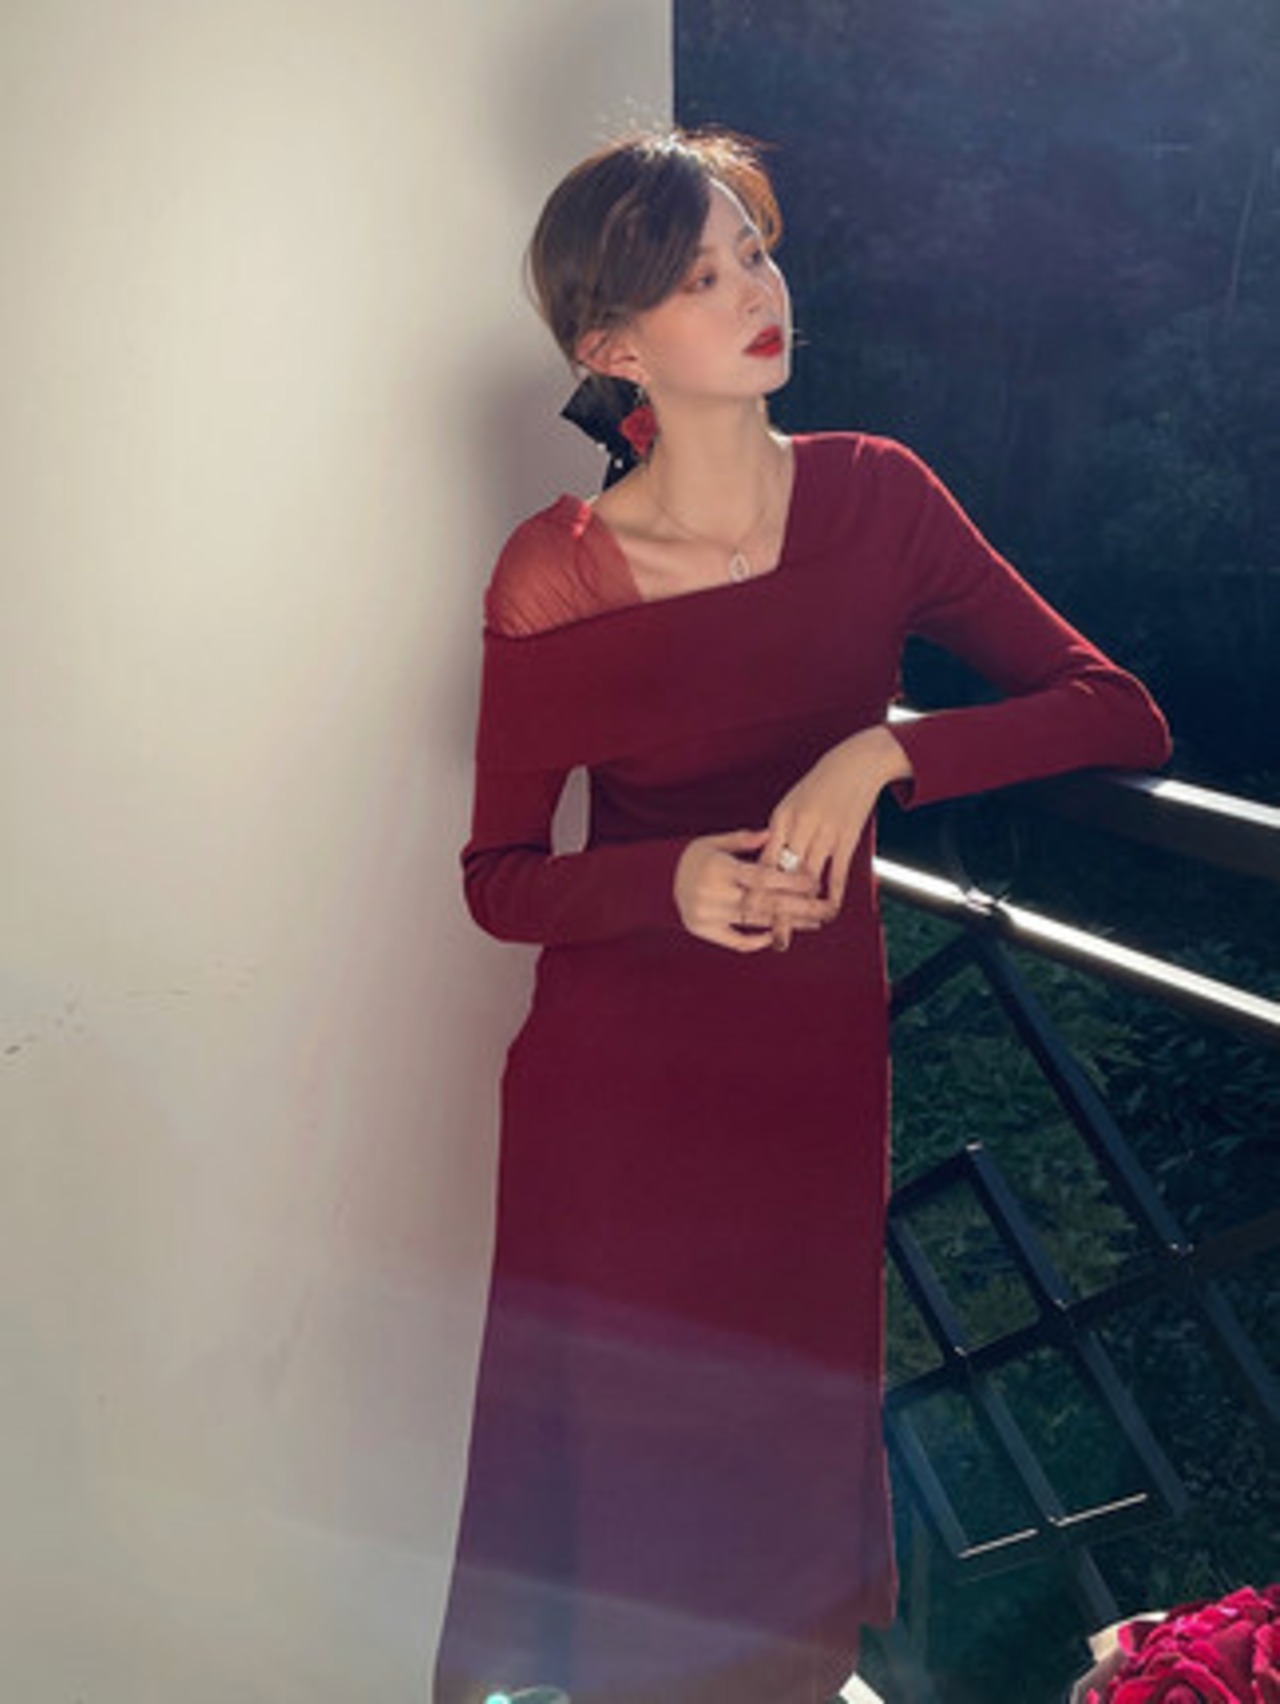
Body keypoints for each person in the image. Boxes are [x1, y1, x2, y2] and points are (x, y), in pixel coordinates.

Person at [434, 129, 1171, 1704]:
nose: (756, 293)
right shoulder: (555, 572)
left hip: (806, 1066)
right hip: (612, 1092)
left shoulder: (876, 495)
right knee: (624, 1490)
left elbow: (1114, 708)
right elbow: (499, 879)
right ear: (615, 351)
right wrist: (667, 880)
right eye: (701, 279)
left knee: (782, 1445)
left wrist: (885, 752)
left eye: (753, 253)